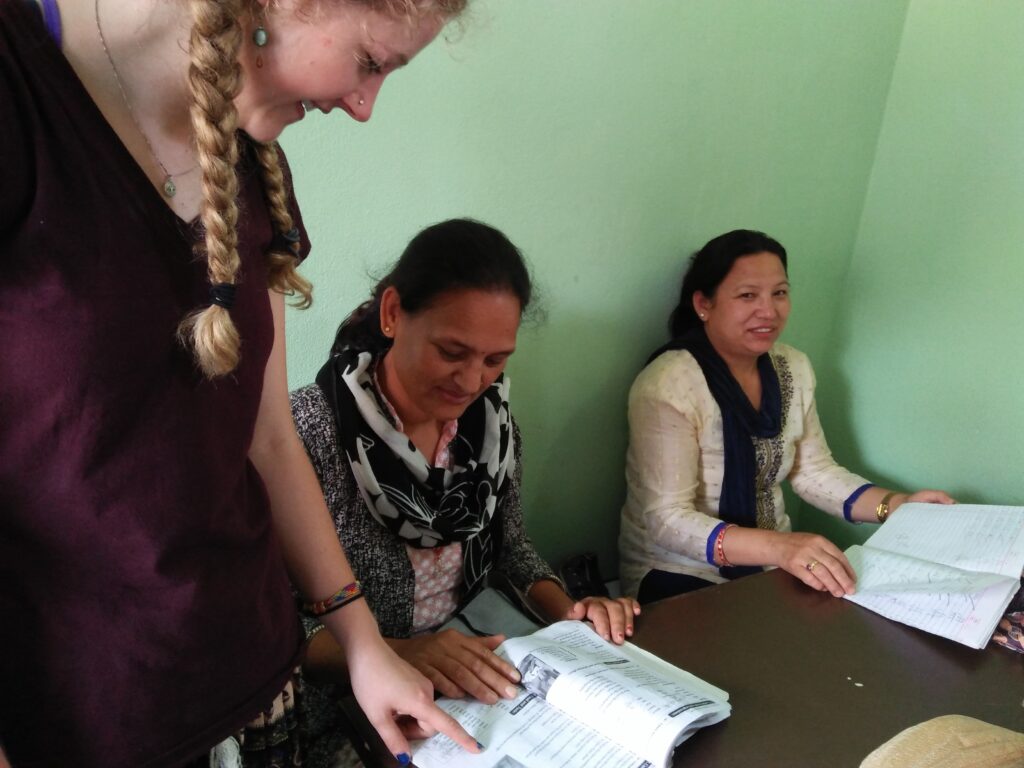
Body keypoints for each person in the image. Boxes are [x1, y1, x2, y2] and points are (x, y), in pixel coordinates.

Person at [0, 0, 481, 765]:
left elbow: (266, 437)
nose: (363, 107)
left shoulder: (252, 154)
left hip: (253, 685)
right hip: (80, 719)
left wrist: (363, 644)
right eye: (370, 63)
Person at [290, 218, 642, 767]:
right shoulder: (307, 432)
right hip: (348, 697)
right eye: (452, 351)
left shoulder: (491, 430)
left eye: (496, 359)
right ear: (391, 315)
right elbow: (283, 629)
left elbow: (513, 548)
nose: (472, 380)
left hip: (476, 662)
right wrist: (403, 652)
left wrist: (571, 615)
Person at [618, 230, 955, 603]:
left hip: (773, 562)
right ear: (704, 304)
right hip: (678, 567)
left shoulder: (791, 366)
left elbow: (814, 472)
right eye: (748, 295)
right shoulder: (669, 383)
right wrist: (781, 548)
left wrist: (896, 506)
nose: (769, 311)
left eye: (779, 293)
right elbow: (667, 519)